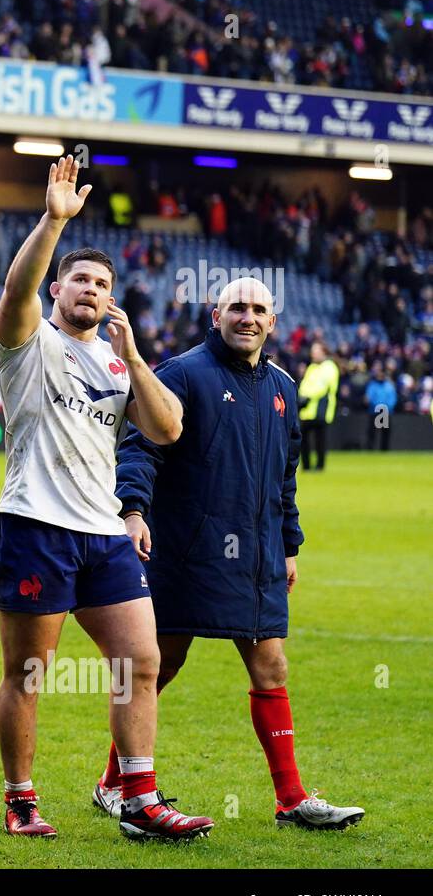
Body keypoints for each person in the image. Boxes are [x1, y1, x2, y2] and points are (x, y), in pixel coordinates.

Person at [0, 155, 213, 840]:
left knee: (140, 660)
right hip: (35, 524)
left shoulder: (118, 364)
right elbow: (15, 288)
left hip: (104, 532)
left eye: (102, 283)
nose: (90, 289)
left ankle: (138, 798)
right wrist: (54, 221)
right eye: (80, 279)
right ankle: (21, 798)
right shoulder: (28, 341)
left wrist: (136, 356)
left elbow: (168, 427)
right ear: (58, 289)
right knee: (29, 673)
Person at [112, 278, 364, 830]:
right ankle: (118, 783)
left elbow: (286, 474)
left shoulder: (281, 384)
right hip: (188, 551)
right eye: (237, 308)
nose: (247, 317)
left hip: (259, 557)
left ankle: (292, 800)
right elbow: (141, 449)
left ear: (272, 323)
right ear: (216, 313)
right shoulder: (182, 373)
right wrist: (132, 510)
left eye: (258, 310)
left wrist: (289, 546)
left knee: (271, 666)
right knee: (163, 663)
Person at [298, 341, 338, 470]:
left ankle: (320, 465)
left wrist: (307, 396)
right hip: (307, 410)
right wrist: (301, 397)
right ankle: (306, 465)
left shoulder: (330, 367)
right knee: (303, 438)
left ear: (323, 352)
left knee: (320, 438)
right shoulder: (312, 367)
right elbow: (304, 385)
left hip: (321, 407)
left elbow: (323, 387)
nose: (313, 354)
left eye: (316, 351)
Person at [365, 369, 398, 450]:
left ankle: (384, 449)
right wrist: (377, 407)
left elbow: (392, 399)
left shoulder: (389, 386)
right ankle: (370, 449)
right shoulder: (372, 385)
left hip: (385, 412)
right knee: (372, 432)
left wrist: (385, 408)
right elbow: (369, 397)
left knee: (385, 432)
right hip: (374, 411)